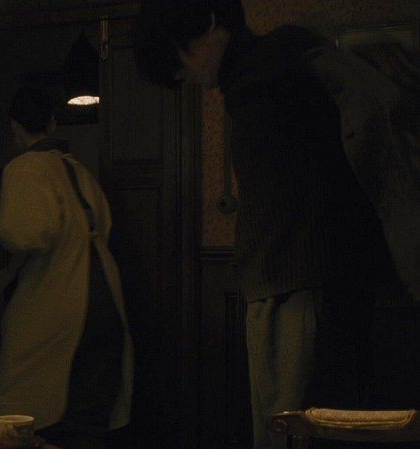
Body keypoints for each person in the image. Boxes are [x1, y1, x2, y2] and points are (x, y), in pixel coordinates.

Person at [132, 1, 418, 448]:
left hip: (297, 286)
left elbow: (360, 144)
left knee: (293, 428)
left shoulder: (269, 74)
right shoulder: (269, 71)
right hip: (300, 284)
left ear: (209, 23)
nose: (180, 73)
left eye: (178, 54)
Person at [0, 86, 134, 449]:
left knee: (31, 401)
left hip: (59, 297)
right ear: (52, 123)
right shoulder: (78, 170)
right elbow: (104, 223)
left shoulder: (24, 168)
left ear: (14, 127)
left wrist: (4, 271)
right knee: (89, 409)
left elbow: (26, 233)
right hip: (105, 294)